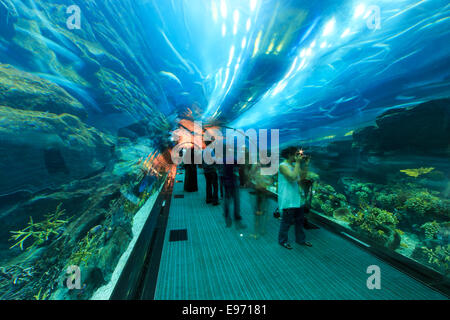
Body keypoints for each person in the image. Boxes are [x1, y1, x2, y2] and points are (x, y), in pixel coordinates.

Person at [278, 147, 312, 249]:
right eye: (296, 154)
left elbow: (302, 177)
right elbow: (292, 177)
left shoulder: (293, 165)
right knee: (286, 222)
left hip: (297, 197)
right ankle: (282, 241)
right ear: (289, 154)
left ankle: (300, 240)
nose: (298, 156)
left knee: (300, 220)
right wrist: (297, 163)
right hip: (288, 198)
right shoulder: (282, 166)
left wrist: (305, 164)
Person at [222, 147, 246, 229]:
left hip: (226, 181)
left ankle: (226, 213)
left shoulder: (224, 159)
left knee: (227, 198)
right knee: (236, 200)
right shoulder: (232, 159)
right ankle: (237, 216)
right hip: (233, 181)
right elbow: (240, 164)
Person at [203, 141, 219, 205]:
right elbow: (214, 160)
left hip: (206, 171)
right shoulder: (211, 150)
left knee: (208, 185)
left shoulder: (204, 151)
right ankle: (215, 201)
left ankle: (208, 199)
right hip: (212, 170)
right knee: (215, 186)